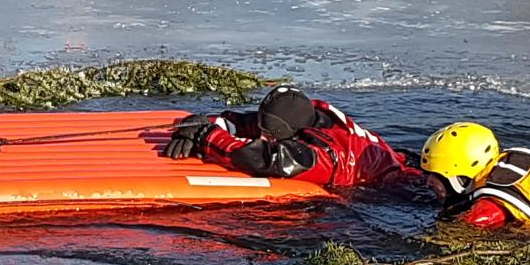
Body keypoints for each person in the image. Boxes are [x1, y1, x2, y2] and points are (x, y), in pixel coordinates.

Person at [163, 85, 415, 188]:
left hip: (396, 189)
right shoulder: (300, 116)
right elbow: (240, 123)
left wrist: (208, 137)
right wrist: (195, 126)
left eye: (267, 134)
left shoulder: (325, 156)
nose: (260, 135)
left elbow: (265, 159)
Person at [418, 122, 530, 228]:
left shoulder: (486, 212)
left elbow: (456, 234)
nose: (428, 182)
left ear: (458, 177)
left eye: (434, 175)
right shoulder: (519, 159)